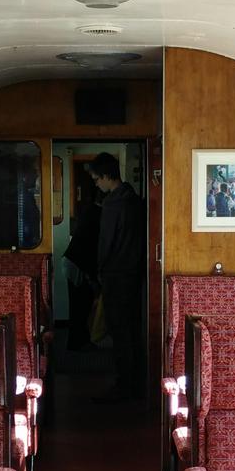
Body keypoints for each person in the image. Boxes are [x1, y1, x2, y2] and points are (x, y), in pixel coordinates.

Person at [89, 152, 145, 402]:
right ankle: (135, 381)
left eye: (96, 179)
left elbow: (105, 243)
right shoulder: (135, 200)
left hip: (114, 273)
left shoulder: (112, 204)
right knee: (132, 327)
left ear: (106, 176)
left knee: (118, 329)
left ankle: (124, 382)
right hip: (134, 273)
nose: (96, 184)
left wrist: (99, 270)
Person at [63, 189, 101, 350]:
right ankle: (76, 342)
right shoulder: (98, 214)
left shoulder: (90, 211)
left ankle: (79, 340)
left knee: (79, 303)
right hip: (78, 262)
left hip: (72, 260)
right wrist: (93, 278)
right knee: (80, 304)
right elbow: (91, 249)